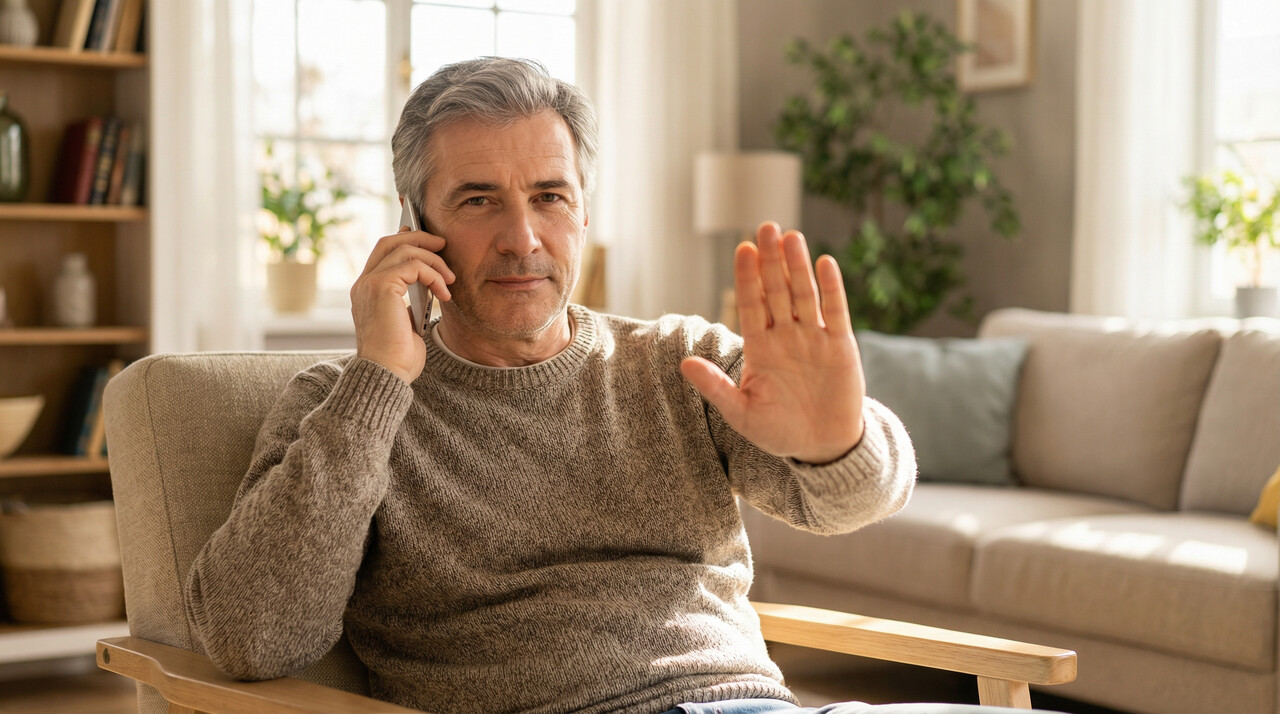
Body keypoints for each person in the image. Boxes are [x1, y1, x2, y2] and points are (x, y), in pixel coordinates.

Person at [184, 58, 1047, 714]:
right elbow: (255, 638)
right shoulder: (345, 408)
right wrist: (379, 383)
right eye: (478, 200)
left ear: (585, 211)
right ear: (417, 228)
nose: (524, 238)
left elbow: (849, 503)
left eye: (550, 196)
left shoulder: (681, 360)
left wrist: (839, 442)